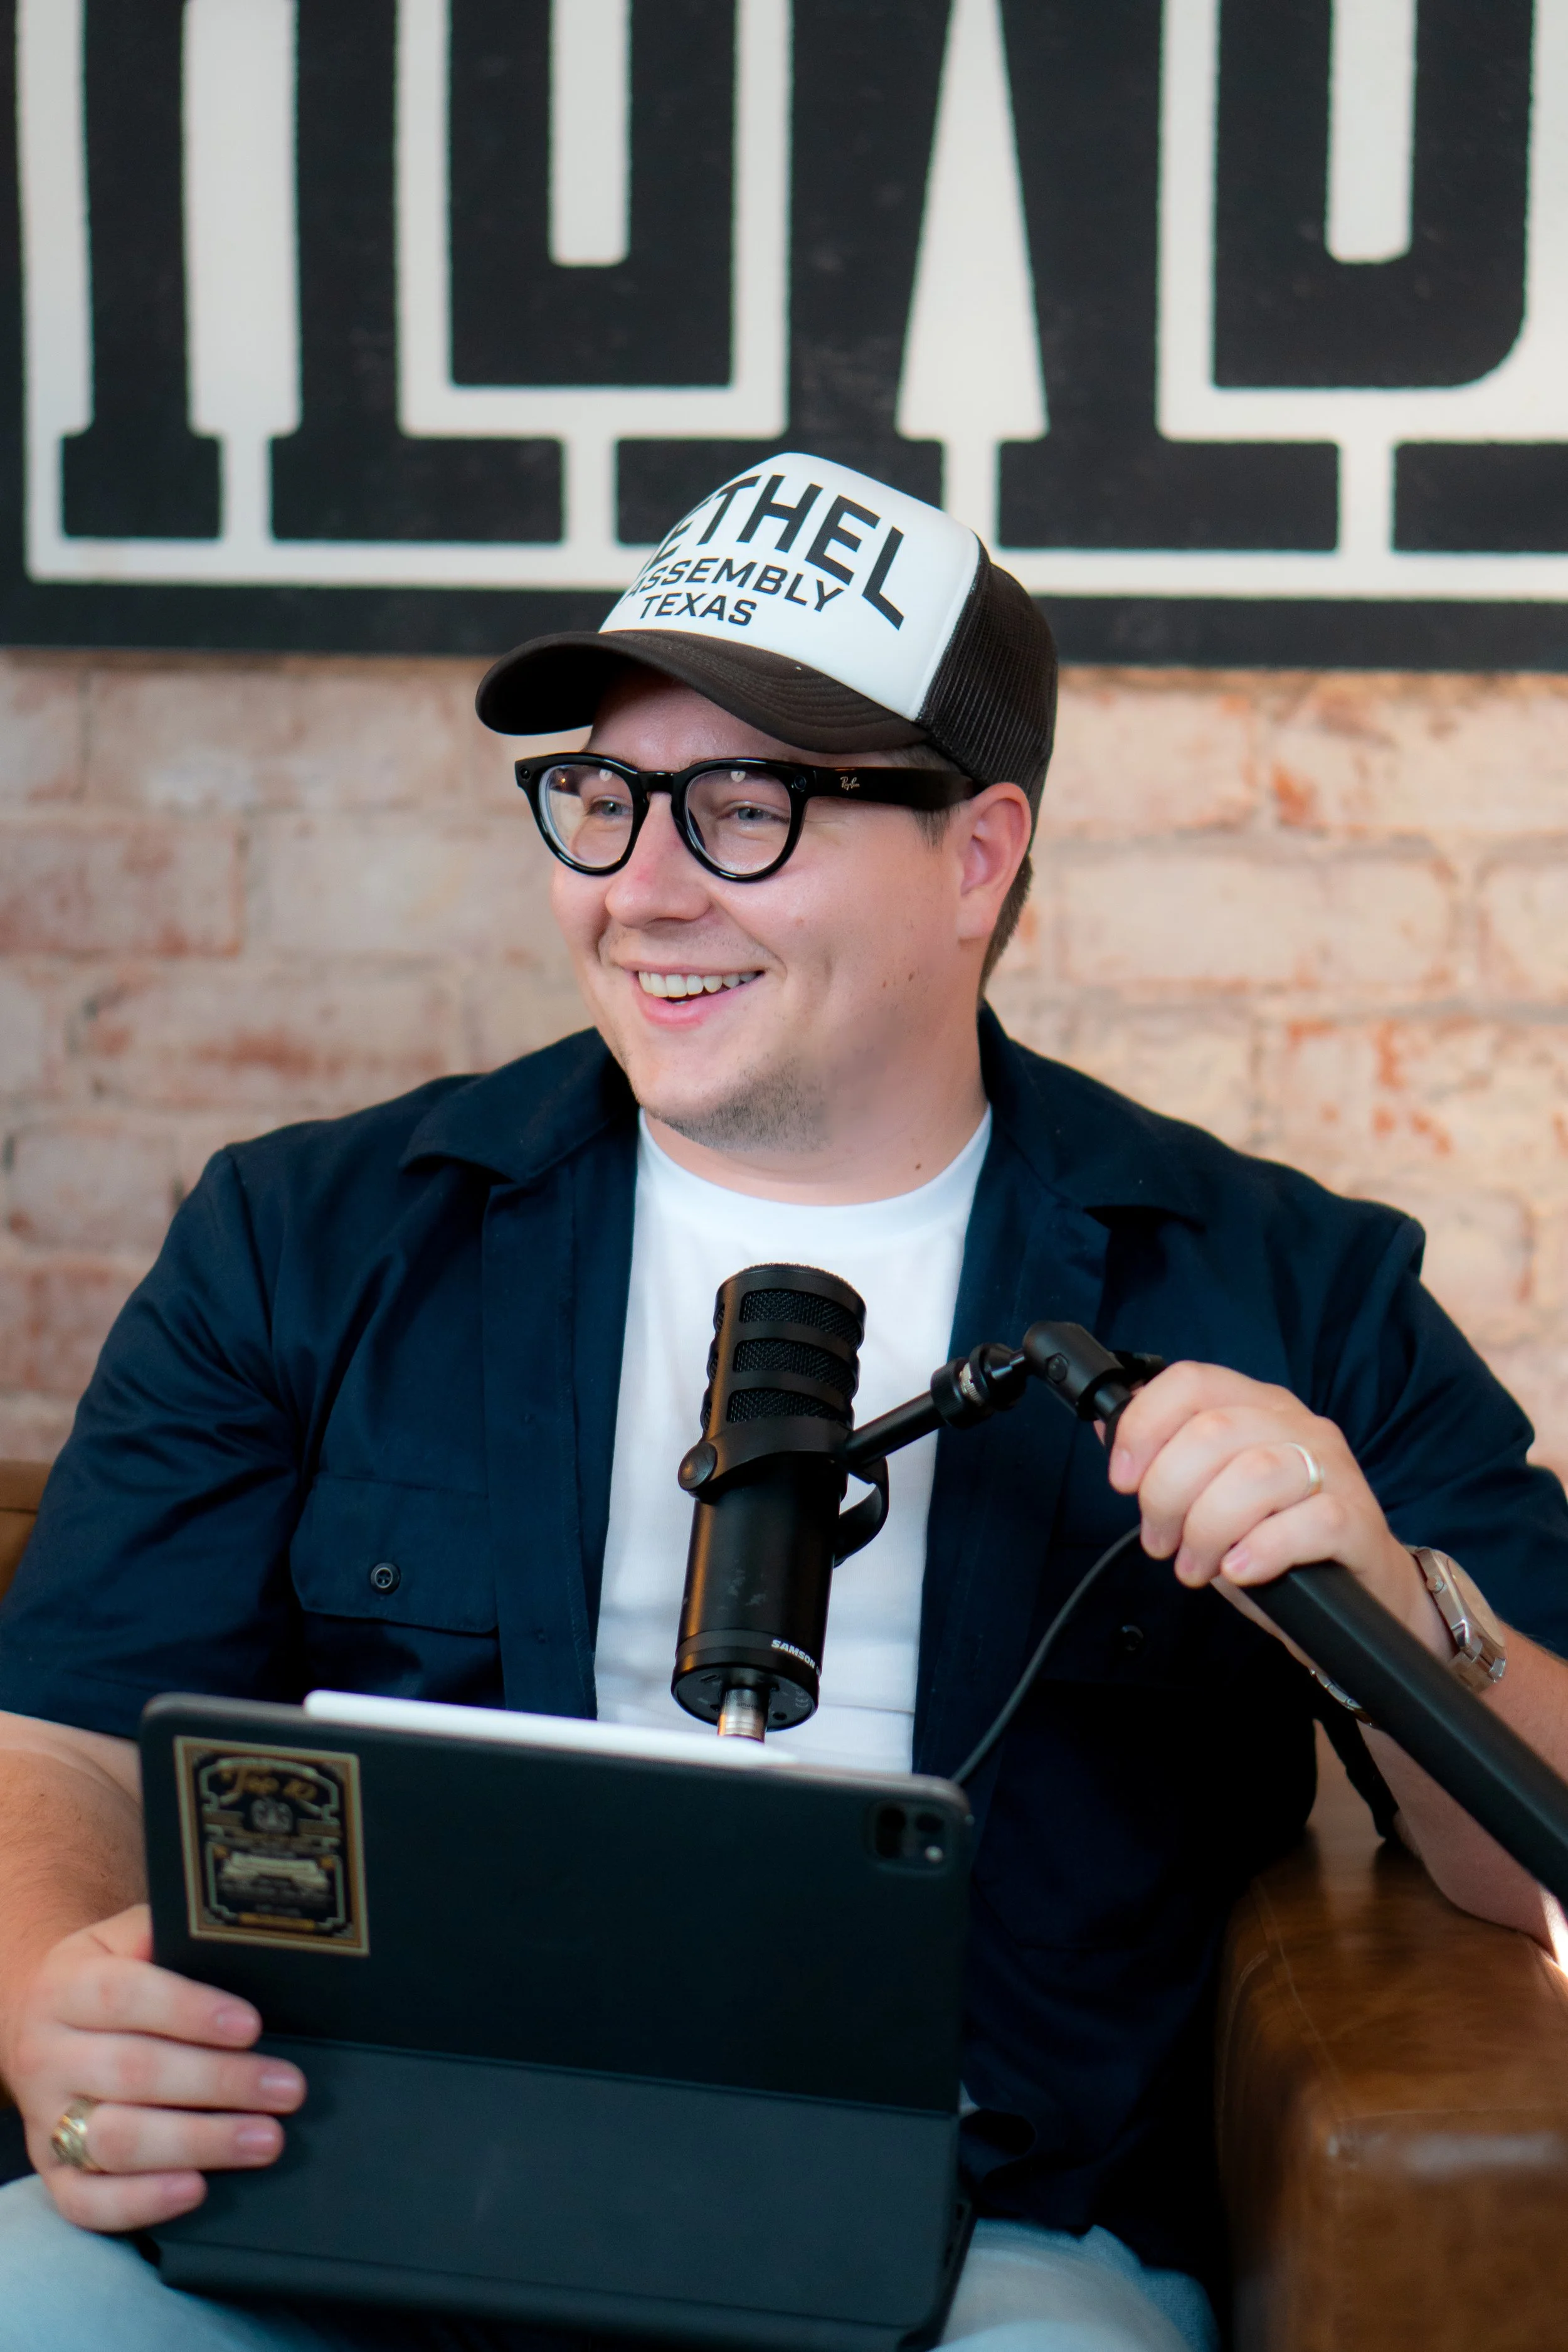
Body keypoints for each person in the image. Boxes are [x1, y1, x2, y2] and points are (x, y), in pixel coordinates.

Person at [1, 453, 1567, 2352]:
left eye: (744, 807)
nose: (639, 888)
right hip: (357, 2181)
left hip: (981, 2250)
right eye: (598, 796)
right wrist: (48, 2000)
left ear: (976, 855)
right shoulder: (306, 1237)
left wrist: (1391, 1597)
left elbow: (1538, 1849)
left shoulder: (1282, 1282)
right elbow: (65, 1750)